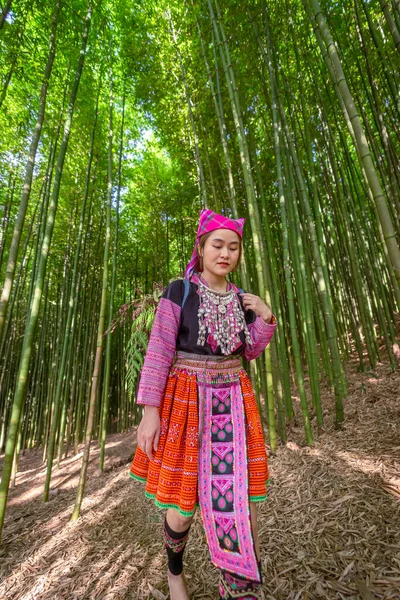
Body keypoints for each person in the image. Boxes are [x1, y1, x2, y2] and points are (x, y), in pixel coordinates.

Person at [129, 208, 277, 600]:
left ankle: (238, 583)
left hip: (233, 401)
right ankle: (175, 573)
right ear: (201, 246)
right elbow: (159, 350)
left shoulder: (241, 299)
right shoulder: (179, 291)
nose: (225, 253)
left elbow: (250, 350)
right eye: (218, 244)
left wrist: (265, 317)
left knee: (237, 499)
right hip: (185, 403)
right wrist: (150, 412)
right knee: (182, 504)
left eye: (234, 247)